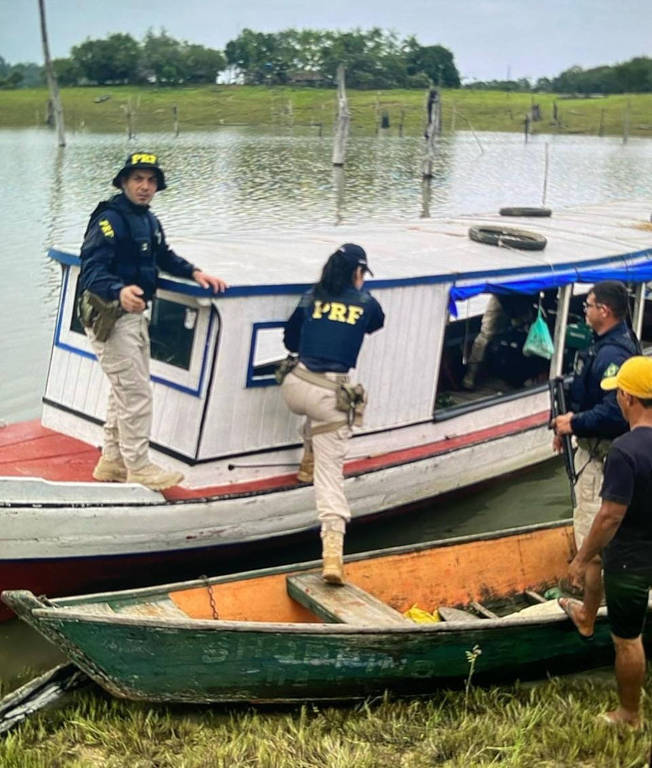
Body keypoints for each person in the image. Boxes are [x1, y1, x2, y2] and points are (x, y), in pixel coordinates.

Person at [79, 152, 226, 491]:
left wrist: (194, 272)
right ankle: (139, 466)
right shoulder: (109, 220)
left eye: (151, 181)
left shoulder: (149, 221)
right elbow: (91, 270)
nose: (145, 187)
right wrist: (119, 290)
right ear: (124, 182)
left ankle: (112, 462)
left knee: (124, 391)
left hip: (133, 316)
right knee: (135, 394)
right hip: (110, 317)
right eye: (138, 180)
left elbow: (163, 256)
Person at [281, 243, 385, 584]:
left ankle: (305, 462)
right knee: (331, 476)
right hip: (329, 397)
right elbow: (375, 324)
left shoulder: (310, 297)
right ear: (358, 273)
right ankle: (332, 556)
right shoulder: (367, 303)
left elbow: (289, 339)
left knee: (317, 416)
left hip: (295, 386)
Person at [566, 356, 652, 730]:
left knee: (627, 639)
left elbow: (609, 516)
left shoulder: (624, 450)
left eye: (618, 392)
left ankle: (629, 715)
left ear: (628, 398)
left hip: (631, 558)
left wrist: (582, 558)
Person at [552, 281, 637, 638]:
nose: (584, 311)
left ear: (604, 310)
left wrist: (574, 422)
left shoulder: (614, 353)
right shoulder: (609, 345)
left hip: (602, 456)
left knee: (593, 534)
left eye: (587, 305)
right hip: (609, 451)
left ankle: (590, 614)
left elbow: (615, 412)